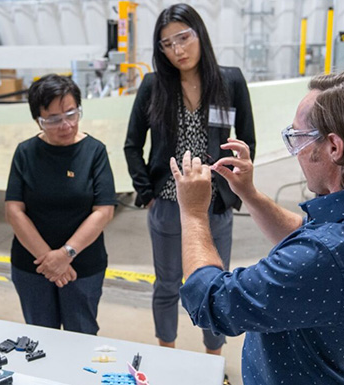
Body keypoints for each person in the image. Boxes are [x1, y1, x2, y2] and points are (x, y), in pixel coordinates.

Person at [173, 70, 344, 384]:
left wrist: (193, 211)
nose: (296, 153)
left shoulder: (328, 256)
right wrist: (249, 194)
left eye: (299, 139)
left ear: (335, 148)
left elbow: (212, 302)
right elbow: (308, 236)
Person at [123, 3, 256, 356]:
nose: (177, 50)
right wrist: (147, 192)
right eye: (167, 44)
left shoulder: (230, 81)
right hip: (167, 203)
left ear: (200, 35)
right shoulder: (153, 86)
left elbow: (248, 140)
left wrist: (235, 183)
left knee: (214, 284)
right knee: (167, 284)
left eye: (183, 38)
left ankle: (213, 357)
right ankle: (166, 351)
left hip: (214, 204)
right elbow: (132, 144)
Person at [5, 74, 117, 335]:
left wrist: (65, 255)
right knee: (41, 339)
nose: (65, 125)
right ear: (38, 120)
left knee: (82, 335)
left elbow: (103, 211)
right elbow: (14, 211)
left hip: (83, 265)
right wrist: (50, 261)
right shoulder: (25, 152)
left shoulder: (94, 152)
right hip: (33, 266)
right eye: (53, 119)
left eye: (71, 114)